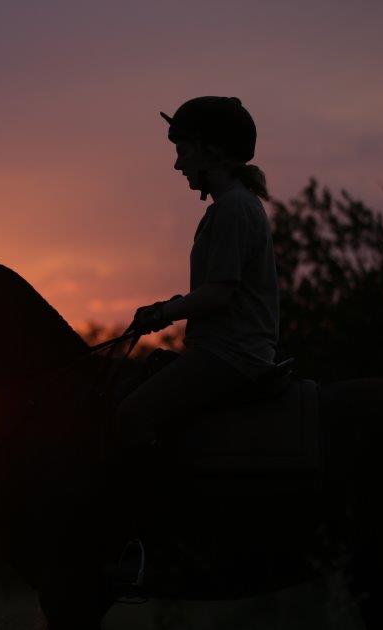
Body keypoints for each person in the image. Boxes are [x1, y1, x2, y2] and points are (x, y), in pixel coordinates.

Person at [105, 96, 280, 588]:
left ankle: (156, 545)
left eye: (183, 149)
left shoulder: (233, 211)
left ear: (212, 152)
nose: (177, 162)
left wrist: (161, 313)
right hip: (226, 352)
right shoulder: (233, 207)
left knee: (132, 417)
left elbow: (219, 294)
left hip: (231, 356)